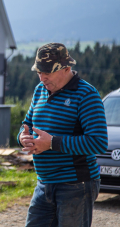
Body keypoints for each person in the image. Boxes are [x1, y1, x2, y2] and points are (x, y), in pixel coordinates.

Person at [18, 43, 108, 227]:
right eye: (39, 72)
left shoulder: (87, 94)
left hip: (76, 185)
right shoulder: (39, 91)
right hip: (44, 183)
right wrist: (22, 136)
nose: (42, 78)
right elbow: (27, 123)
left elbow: (98, 142)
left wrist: (52, 143)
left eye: (47, 73)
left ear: (66, 68)